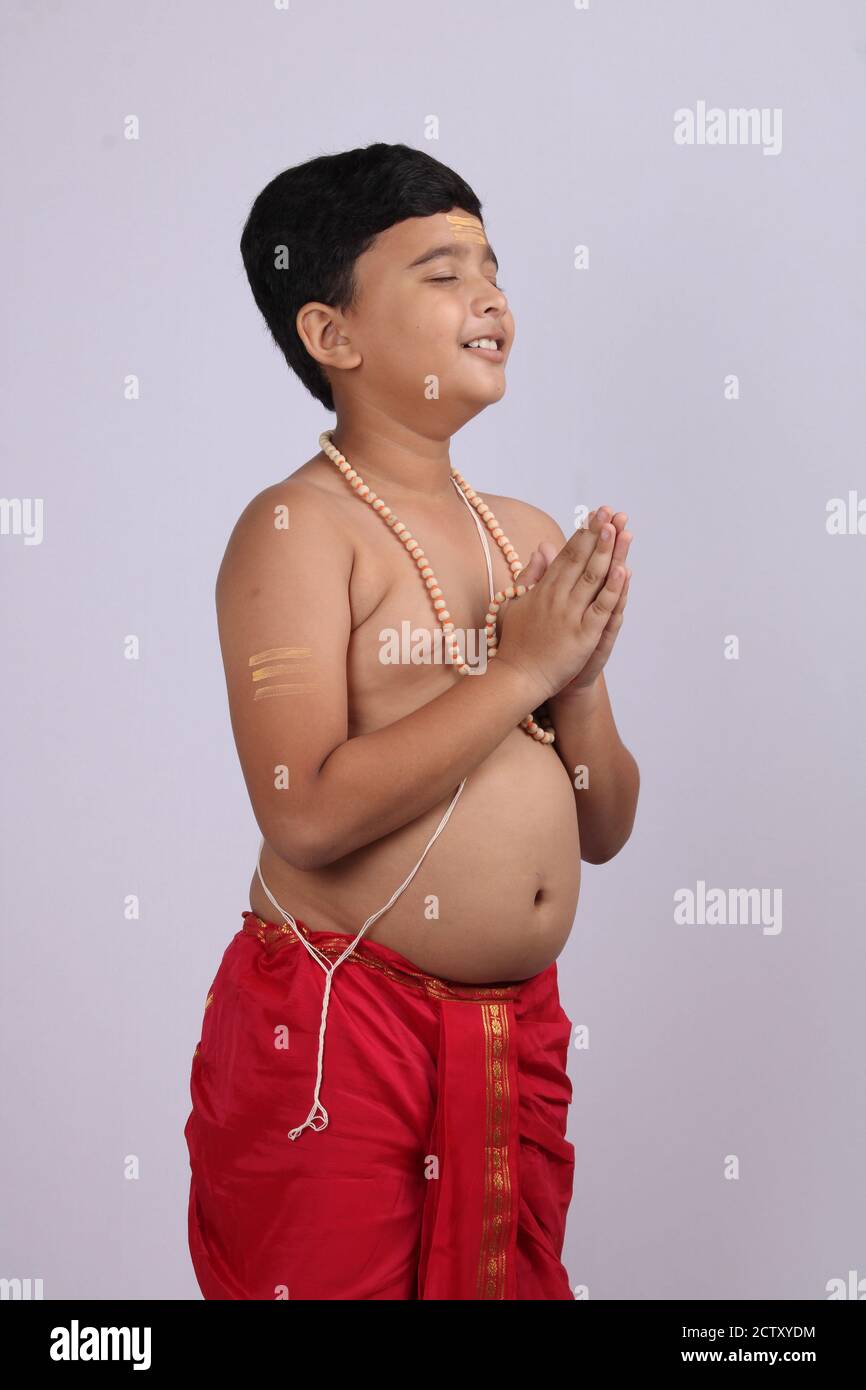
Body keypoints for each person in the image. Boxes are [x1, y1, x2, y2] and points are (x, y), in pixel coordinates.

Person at [184, 142, 640, 1300]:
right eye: (441, 273)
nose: (488, 296)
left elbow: (603, 826)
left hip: (511, 1039)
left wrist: (574, 684)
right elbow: (303, 814)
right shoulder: (297, 530)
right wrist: (517, 669)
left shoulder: (523, 533)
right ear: (331, 335)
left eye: (491, 264)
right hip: (345, 1032)